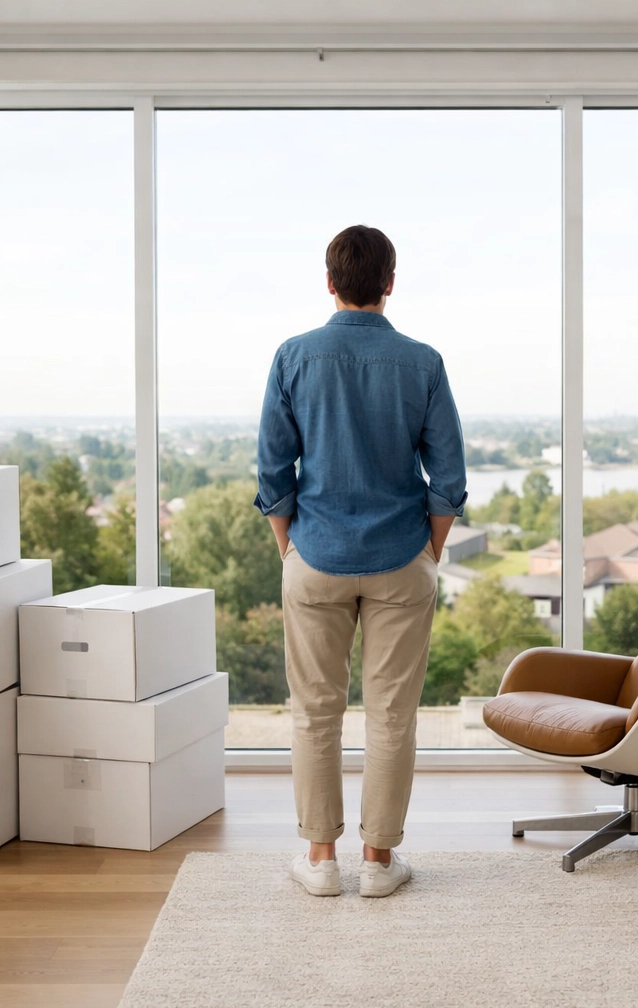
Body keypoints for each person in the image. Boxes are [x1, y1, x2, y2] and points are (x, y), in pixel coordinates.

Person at [254, 225, 467, 898]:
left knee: (314, 712)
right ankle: (378, 862)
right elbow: (449, 474)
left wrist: (288, 546)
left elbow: (272, 467)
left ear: (330, 282)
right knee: (391, 715)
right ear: (390, 282)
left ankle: (320, 861)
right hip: (401, 556)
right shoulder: (423, 361)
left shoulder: (293, 356)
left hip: (314, 554)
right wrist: (429, 553)